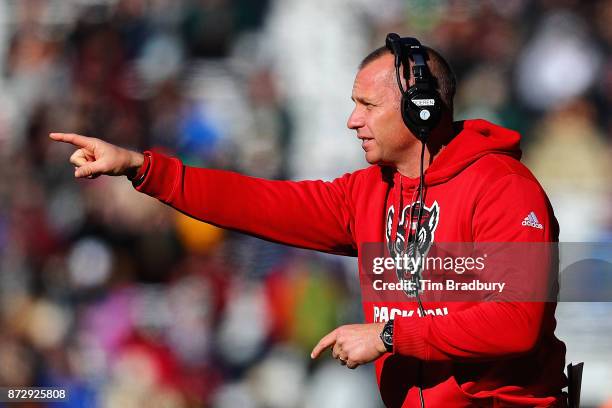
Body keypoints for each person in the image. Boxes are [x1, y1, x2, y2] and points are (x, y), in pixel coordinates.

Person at [50, 36, 568, 407]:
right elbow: (257, 203)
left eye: (367, 105)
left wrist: (389, 336)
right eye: (352, 105)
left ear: (422, 110)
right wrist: (145, 168)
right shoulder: (369, 192)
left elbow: (514, 322)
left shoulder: (503, 187)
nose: (352, 120)